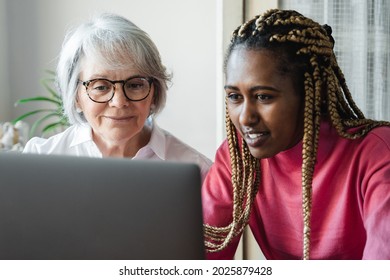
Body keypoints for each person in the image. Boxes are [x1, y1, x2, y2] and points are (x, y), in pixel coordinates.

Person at [202, 9, 390, 260]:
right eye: (235, 97)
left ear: (314, 94)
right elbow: (201, 258)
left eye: (263, 97)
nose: (246, 118)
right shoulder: (238, 156)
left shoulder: (376, 153)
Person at [23, 13, 212, 181]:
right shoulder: (38, 160)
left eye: (135, 85)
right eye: (101, 86)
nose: (119, 102)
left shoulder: (199, 174)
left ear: (154, 93)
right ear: (76, 97)